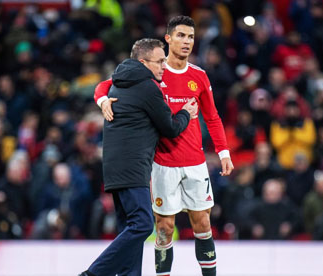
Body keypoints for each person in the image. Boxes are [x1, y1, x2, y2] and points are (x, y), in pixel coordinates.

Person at [94, 15, 234, 276]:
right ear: (168, 39)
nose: (186, 42)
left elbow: (212, 117)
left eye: (191, 37)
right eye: (181, 35)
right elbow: (106, 85)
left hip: (195, 161)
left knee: (203, 222)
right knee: (164, 228)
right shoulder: (154, 72)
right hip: (162, 162)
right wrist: (102, 99)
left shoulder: (199, 76)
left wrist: (223, 151)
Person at [79, 38, 197, 276]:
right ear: (143, 62)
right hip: (133, 167)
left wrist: (102, 99)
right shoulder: (146, 86)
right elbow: (170, 128)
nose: (164, 65)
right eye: (159, 61)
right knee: (143, 224)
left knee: (129, 227)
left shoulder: (121, 81)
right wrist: (186, 113)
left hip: (115, 167)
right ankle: (93, 273)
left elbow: (102, 86)